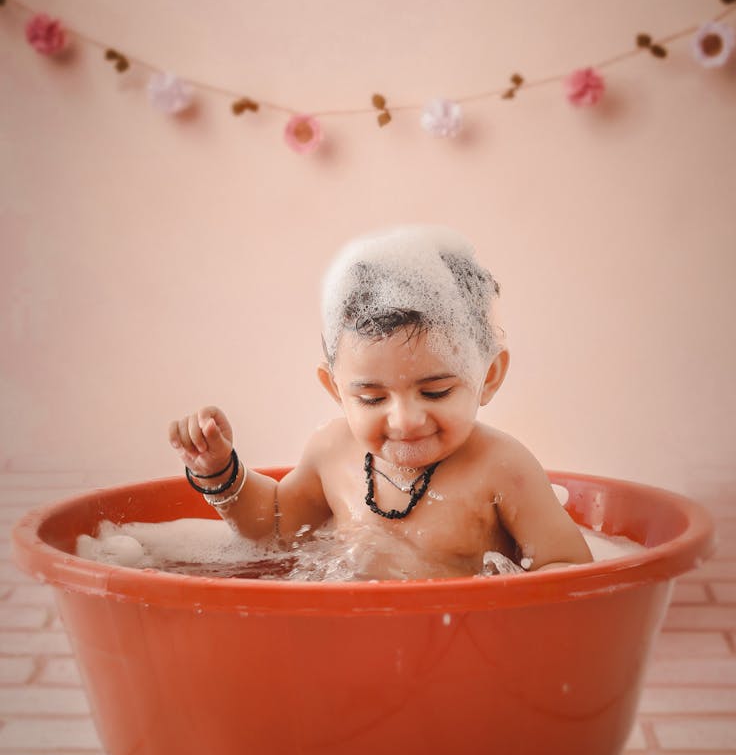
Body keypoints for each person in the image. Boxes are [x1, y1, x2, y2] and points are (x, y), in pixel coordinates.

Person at [169, 225, 592, 577]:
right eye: (372, 398)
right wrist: (219, 472)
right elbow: (275, 529)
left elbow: (567, 564)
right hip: (353, 644)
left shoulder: (501, 467)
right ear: (336, 390)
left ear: (489, 377)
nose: (405, 420)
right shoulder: (332, 452)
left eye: (435, 392)